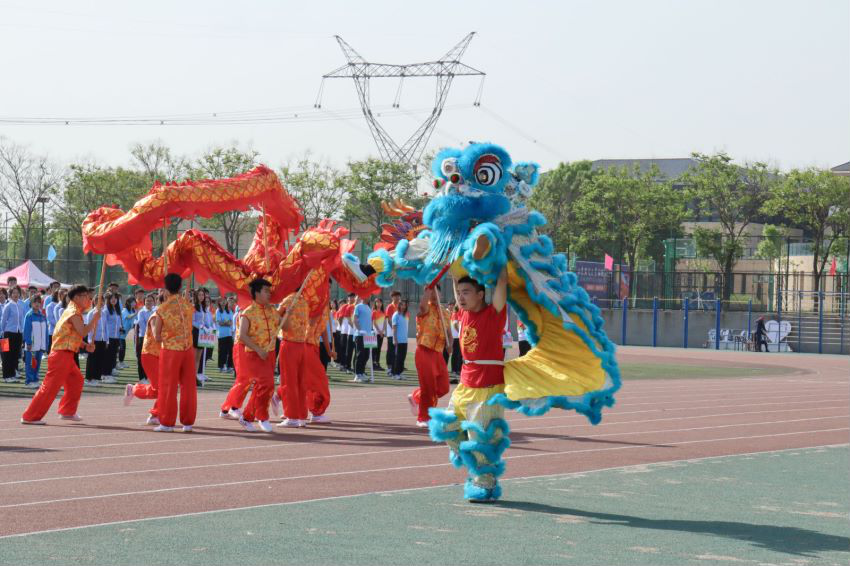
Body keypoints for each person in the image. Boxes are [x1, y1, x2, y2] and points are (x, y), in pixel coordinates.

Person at [429, 270, 508, 503]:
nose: (461, 297)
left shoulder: (494, 314)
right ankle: (470, 459)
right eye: (459, 292)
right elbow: (456, 281)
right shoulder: (464, 313)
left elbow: (502, 281)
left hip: (487, 386)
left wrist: (502, 263)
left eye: (466, 292)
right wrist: (454, 267)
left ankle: (486, 484)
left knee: (481, 440)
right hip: (465, 383)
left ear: (481, 294)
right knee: (446, 426)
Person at [21, 285, 102, 424]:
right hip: (61, 355)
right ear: (77, 297)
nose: (88, 299)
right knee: (50, 387)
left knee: (76, 380)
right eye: (85, 296)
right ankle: (30, 416)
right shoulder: (73, 312)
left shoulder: (72, 310)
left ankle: (67, 411)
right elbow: (82, 331)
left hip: (66, 354)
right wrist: (94, 319)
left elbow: (71, 336)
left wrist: (85, 345)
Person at [150, 273, 197, 433]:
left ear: (165, 288)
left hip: (171, 350)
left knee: (168, 386)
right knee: (188, 386)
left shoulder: (162, 309)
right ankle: (188, 422)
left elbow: (157, 336)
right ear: (180, 286)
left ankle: (167, 422)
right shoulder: (188, 305)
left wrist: (156, 329)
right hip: (188, 349)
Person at [234, 279, 280, 433]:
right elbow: (242, 336)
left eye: (269, 291)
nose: (269, 294)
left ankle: (249, 417)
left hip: (270, 354)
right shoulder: (248, 313)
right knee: (267, 384)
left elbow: (285, 326)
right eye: (266, 291)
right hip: (255, 354)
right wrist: (258, 349)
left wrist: (288, 312)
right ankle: (261, 417)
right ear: (257, 293)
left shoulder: (272, 311)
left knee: (263, 387)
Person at [409, 285, 452, 427]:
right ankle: (423, 418)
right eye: (431, 292)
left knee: (444, 387)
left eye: (436, 291)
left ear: (440, 294)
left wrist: (450, 344)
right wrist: (429, 288)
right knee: (428, 388)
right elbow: (422, 306)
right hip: (424, 351)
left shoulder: (446, 313)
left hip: (438, 353)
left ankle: (416, 396)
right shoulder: (426, 309)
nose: (434, 294)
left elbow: (449, 333)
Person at [123, 293, 164, 425]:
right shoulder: (155, 316)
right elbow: (156, 334)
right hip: (150, 354)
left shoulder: (169, 317)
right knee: (162, 388)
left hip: (162, 354)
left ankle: (134, 389)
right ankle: (154, 415)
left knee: (162, 388)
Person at [276, 286, 311, 427]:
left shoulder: (288, 299)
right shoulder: (304, 302)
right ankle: (301, 416)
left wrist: (281, 315)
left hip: (289, 344)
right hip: (302, 345)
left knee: (288, 381)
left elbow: (275, 317)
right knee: (301, 382)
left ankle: (291, 416)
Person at [23, 295, 48, 388]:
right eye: (35, 302)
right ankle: (29, 381)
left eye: (38, 302)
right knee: (30, 363)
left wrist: (46, 343)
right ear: (31, 303)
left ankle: (35, 379)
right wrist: (28, 342)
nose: (37, 304)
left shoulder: (42, 316)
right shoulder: (29, 315)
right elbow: (26, 330)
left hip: (40, 345)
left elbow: (46, 331)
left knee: (37, 363)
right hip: (32, 345)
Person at [1, 286, 24, 382]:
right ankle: (7, 376)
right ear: (10, 295)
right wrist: (2, 333)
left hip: (18, 333)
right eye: (14, 293)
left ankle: (12, 375)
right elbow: (3, 321)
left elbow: (21, 320)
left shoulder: (20, 305)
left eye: (17, 292)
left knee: (15, 355)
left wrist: (22, 331)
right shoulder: (8, 306)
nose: (16, 294)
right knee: (7, 356)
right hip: (7, 333)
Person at [192, 288, 212, 385]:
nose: (201, 297)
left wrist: (209, 327)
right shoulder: (193, 307)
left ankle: (194, 376)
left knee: (198, 357)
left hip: (203, 333)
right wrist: (200, 326)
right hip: (196, 332)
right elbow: (192, 321)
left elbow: (207, 321)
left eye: (202, 295)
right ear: (196, 296)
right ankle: (190, 376)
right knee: (193, 356)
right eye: (199, 295)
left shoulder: (204, 308)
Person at [352, 296, 374, 383]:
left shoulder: (368, 307)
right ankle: (357, 375)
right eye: (368, 295)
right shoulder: (358, 306)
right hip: (360, 334)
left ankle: (362, 372)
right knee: (360, 354)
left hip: (368, 335)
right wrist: (360, 330)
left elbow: (369, 321)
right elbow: (355, 319)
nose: (369, 297)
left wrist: (371, 330)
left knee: (366, 355)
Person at [135, 294, 155, 383]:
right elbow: (143, 326)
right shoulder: (141, 312)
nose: (149, 302)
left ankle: (149, 376)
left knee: (151, 358)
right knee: (142, 358)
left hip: (153, 339)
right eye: (147, 301)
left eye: (151, 301)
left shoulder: (156, 312)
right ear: (144, 302)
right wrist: (152, 334)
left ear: (154, 302)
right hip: (143, 338)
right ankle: (142, 377)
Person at [390, 300, 409, 379]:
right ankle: (395, 374)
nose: (403, 307)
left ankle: (400, 373)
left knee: (402, 358)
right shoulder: (396, 315)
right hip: (398, 340)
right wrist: (395, 339)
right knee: (397, 357)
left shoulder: (405, 315)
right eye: (402, 305)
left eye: (405, 305)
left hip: (404, 340)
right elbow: (394, 328)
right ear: (399, 305)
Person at [105, 293, 122, 379]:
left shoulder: (117, 309)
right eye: (111, 298)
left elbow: (118, 322)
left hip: (116, 336)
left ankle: (111, 370)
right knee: (108, 355)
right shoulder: (106, 310)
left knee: (113, 355)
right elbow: (104, 323)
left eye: (115, 298)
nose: (114, 299)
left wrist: (120, 328)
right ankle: (106, 374)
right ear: (108, 300)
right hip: (109, 336)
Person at [216, 296, 235, 372]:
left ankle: (229, 366)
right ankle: (221, 366)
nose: (223, 302)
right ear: (219, 302)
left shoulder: (229, 311)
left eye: (224, 300)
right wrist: (226, 323)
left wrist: (225, 322)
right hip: (221, 334)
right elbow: (219, 323)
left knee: (230, 351)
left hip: (229, 334)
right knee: (222, 351)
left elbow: (231, 322)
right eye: (221, 301)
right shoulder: (218, 311)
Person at [384, 291, 401, 375]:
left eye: (398, 296)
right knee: (391, 350)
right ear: (392, 297)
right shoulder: (390, 307)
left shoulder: (400, 307)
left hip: (398, 333)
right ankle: (389, 368)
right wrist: (395, 330)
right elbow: (389, 320)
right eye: (395, 296)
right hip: (391, 333)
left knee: (397, 351)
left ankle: (395, 367)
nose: (397, 298)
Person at [119, 297, 137, 370]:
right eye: (132, 302)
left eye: (134, 302)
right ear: (128, 303)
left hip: (124, 334)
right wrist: (136, 313)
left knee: (123, 348)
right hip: (120, 333)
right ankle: (119, 363)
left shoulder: (133, 310)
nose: (134, 303)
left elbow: (136, 320)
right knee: (121, 348)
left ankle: (121, 362)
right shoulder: (125, 310)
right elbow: (128, 317)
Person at [371, 298, 386, 371]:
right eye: (377, 302)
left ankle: (377, 363)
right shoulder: (374, 312)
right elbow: (374, 323)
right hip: (375, 333)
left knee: (379, 349)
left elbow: (385, 323)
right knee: (374, 349)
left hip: (381, 334)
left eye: (380, 302)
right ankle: (373, 364)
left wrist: (382, 331)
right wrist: (379, 331)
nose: (379, 304)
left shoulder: (383, 312)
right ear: (375, 304)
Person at [449, 302, 463, 379]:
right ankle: (454, 369)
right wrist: (460, 333)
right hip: (455, 337)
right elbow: (455, 324)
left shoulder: (461, 313)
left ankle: (458, 369)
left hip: (459, 337)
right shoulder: (455, 313)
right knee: (455, 354)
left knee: (459, 354)